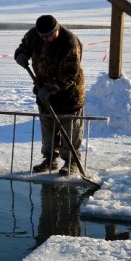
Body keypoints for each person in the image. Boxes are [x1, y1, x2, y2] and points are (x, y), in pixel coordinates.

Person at [14, 15, 86, 176]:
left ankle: (71, 161)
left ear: (57, 29)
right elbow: (24, 46)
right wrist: (21, 54)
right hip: (42, 89)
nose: (46, 40)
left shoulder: (70, 43)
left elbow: (70, 74)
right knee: (48, 126)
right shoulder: (34, 34)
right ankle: (50, 159)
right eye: (43, 37)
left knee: (70, 128)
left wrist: (50, 89)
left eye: (49, 36)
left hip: (69, 94)